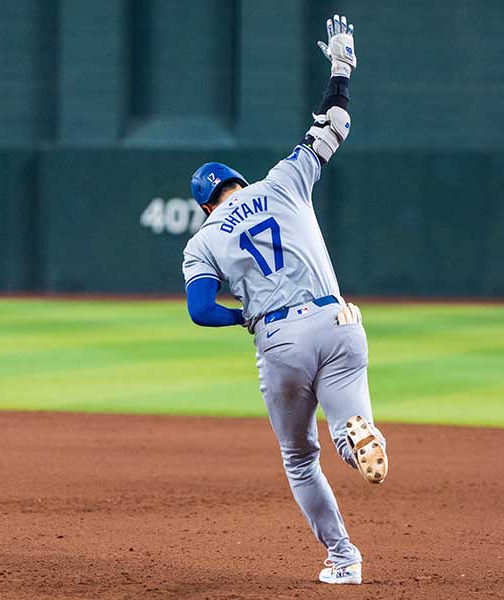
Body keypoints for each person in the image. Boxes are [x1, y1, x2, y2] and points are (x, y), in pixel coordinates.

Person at [180, 14, 386, 585]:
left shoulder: (202, 242)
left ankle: (344, 560)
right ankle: (357, 435)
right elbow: (334, 123)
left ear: (205, 206)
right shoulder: (283, 179)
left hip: (280, 336)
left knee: (299, 458)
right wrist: (341, 67)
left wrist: (244, 314)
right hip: (339, 317)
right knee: (348, 416)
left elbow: (200, 311)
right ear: (240, 182)